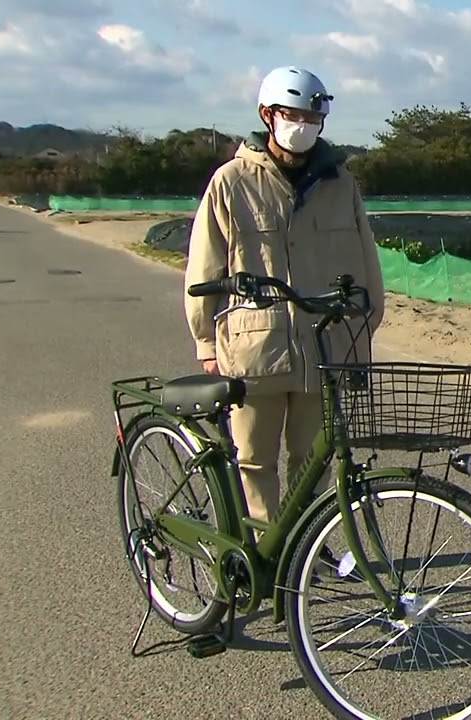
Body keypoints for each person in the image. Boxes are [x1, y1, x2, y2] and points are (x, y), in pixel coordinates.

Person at [183, 66, 386, 526]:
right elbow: (205, 264)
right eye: (292, 115)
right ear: (267, 115)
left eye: (311, 118)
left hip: (324, 342)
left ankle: (303, 546)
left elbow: (365, 259)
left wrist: (363, 326)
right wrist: (205, 342)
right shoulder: (231, 182)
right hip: (255, 345)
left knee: (312, 457)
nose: (303, 126)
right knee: (254, 457)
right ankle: (262, 544)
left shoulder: (340, 184)